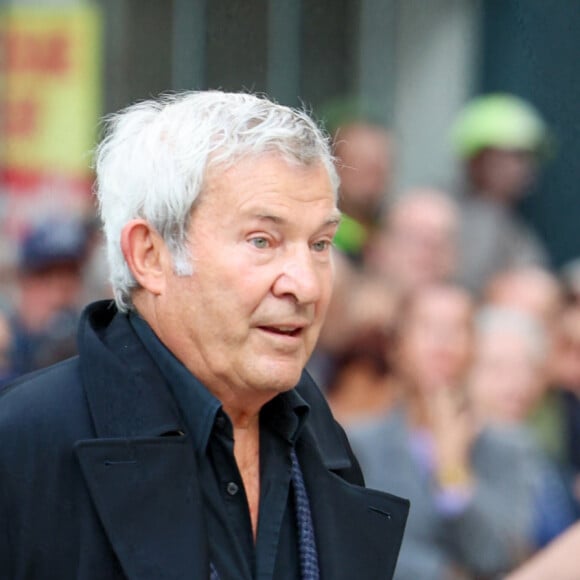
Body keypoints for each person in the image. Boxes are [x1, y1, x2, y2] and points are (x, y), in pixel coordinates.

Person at [0, 91, 409, 579]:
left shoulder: (322, 443)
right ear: (150, 255)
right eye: (262, 240)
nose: (305, 284)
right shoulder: (22, 445)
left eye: (320, 243)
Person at [347, 284, 536, 579]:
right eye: (428, 327)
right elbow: (358, 547)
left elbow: (502, 553)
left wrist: (453, 472)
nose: (443, 341)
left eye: (457, 328)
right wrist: (445, 573)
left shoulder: (509, 447)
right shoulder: (359, 445)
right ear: (397, 347)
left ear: (475, 349)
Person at [450, 93, 550, 294]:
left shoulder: (515, 228)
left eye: (528, 158)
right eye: (514, 156)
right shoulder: (437, 215)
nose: (523, 168)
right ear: (475, 159)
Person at [7, 217, 90, 376]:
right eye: (45, 276)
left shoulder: (88, 342)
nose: (57, 295)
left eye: (69, 275)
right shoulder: (6, 346)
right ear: (23, 280)